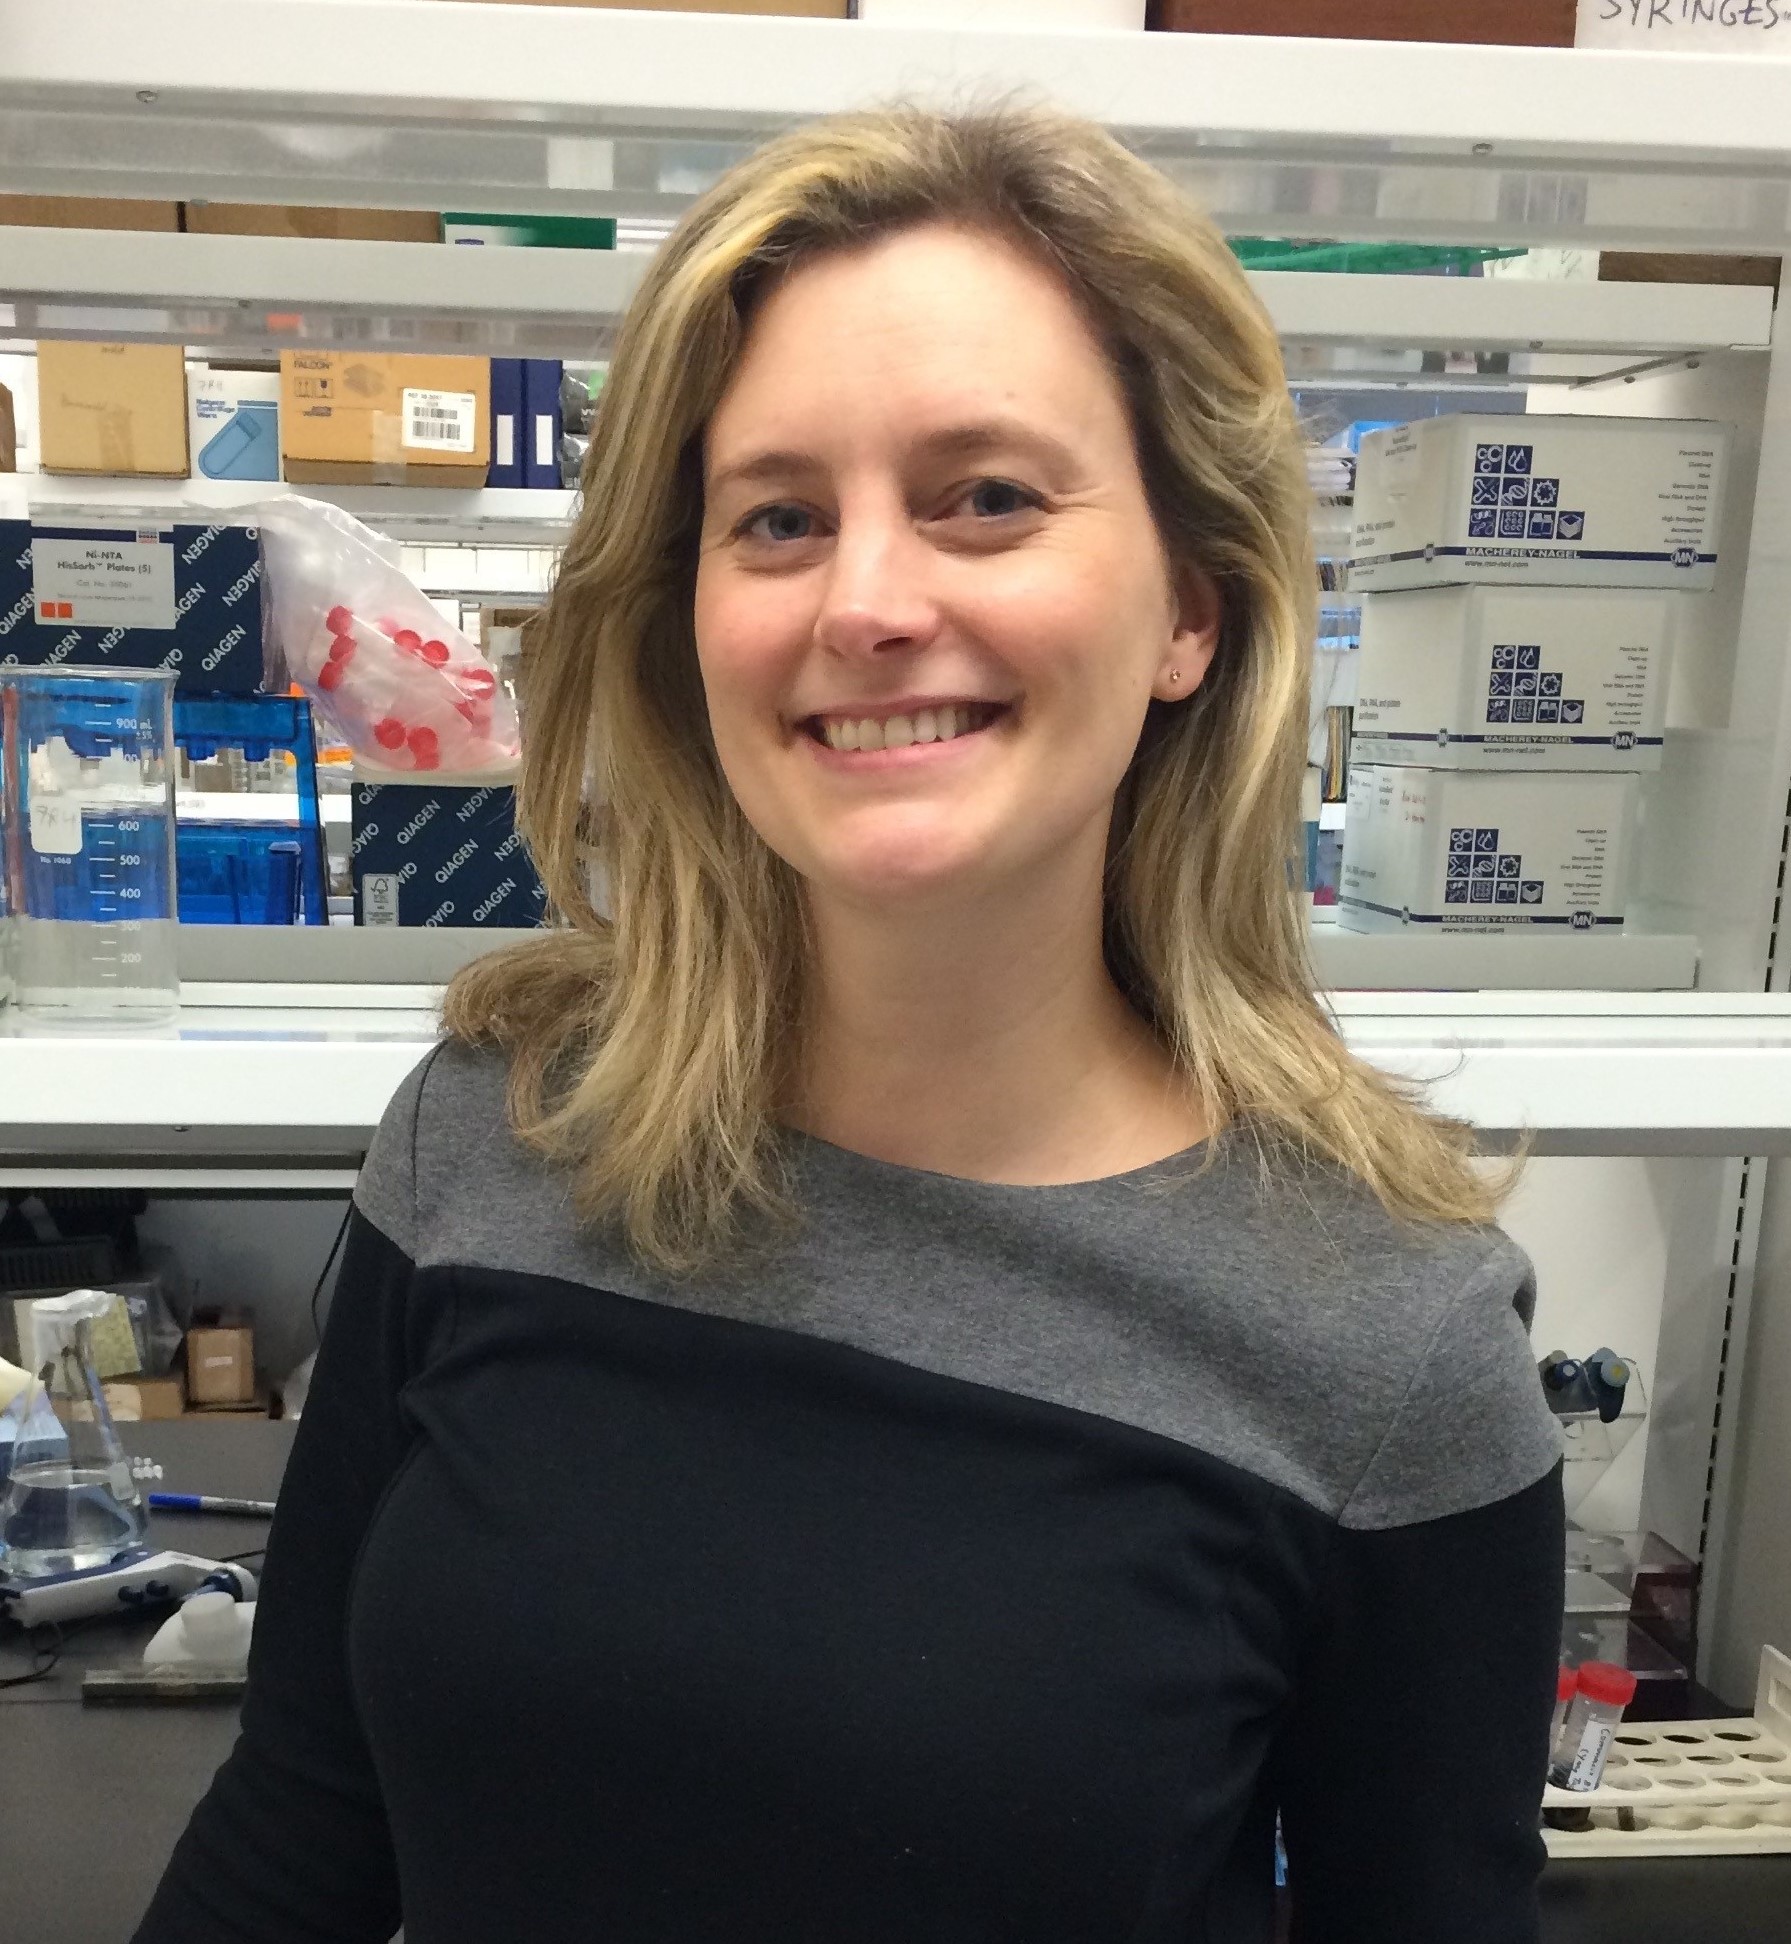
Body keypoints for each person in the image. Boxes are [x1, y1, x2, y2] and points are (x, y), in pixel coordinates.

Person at [135, 102, 1564, 1943]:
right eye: (781, 519)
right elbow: (302, 1815)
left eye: (988, 497)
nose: (868, 602)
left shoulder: (1382, 1340)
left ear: (1191, 611)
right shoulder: (501, 1132)